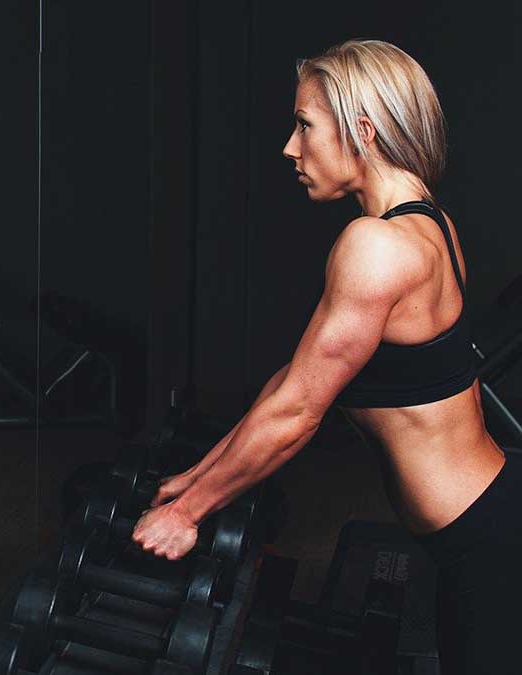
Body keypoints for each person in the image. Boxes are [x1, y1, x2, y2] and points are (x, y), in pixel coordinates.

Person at [131, 39, 516, 673]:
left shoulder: (377, 245)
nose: (290, 146)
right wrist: (199, 478)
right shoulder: (432, 227)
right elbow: (296, 380)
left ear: (363, 131)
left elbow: (301, 412)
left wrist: (187, 517)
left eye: (305, 125)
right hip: (483, 522)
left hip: (485, 540)